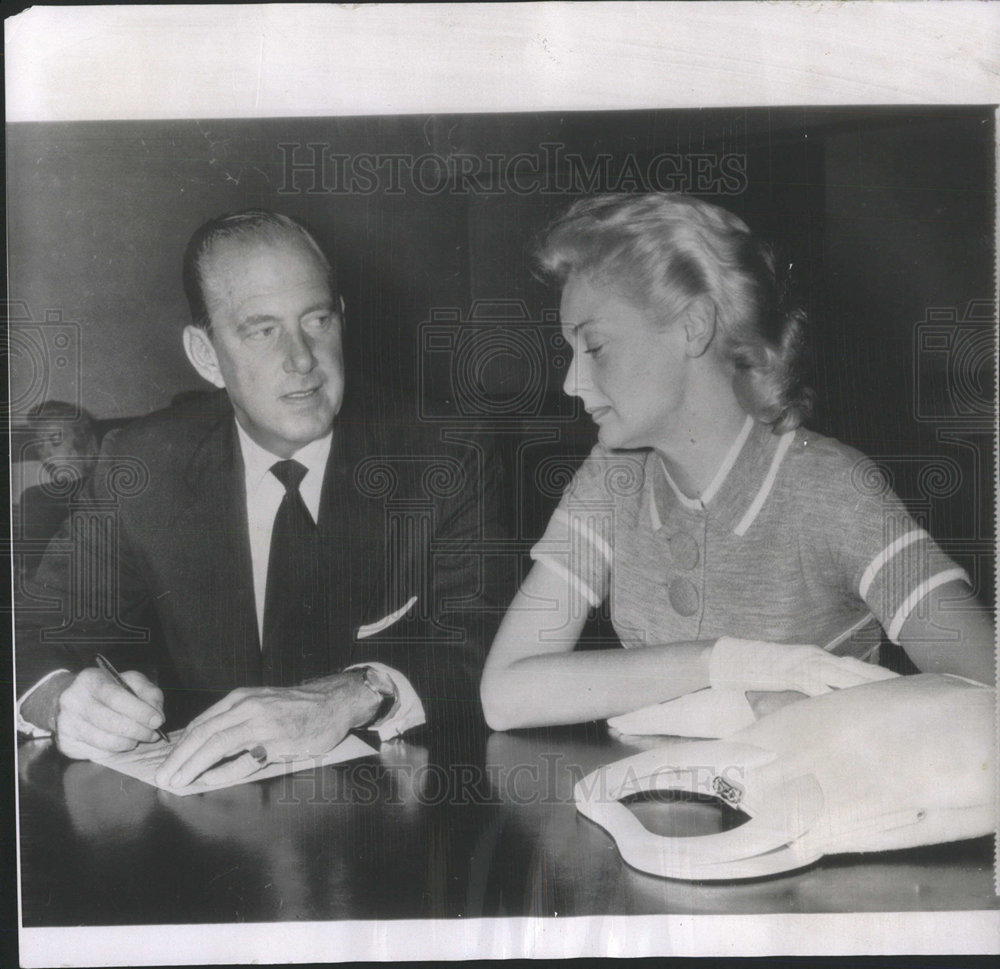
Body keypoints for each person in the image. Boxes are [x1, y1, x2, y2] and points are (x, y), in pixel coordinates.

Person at [16, 210, 509, 789]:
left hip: (398, 819)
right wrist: (60, 698)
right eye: (262, 329)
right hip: (207, 829)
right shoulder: (144, 466)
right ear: (206, 356)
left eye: (317, 319)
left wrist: (363, 691)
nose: (302, 358)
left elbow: (485, 637)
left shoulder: (443, 455)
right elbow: (35, 623)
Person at [480, 193, 994, 734]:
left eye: (596, 347)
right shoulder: (612, 477)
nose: (570, 383)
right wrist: (722, 663)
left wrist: (814, 713)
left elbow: (987, 690)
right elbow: (505, 695)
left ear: (692, 326)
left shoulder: (831, 487)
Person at [15, 401, 100, 582]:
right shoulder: (35, 496)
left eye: (55, 441)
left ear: (80, 443)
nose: (45, 453)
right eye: (39, 444)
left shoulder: (103, 488)